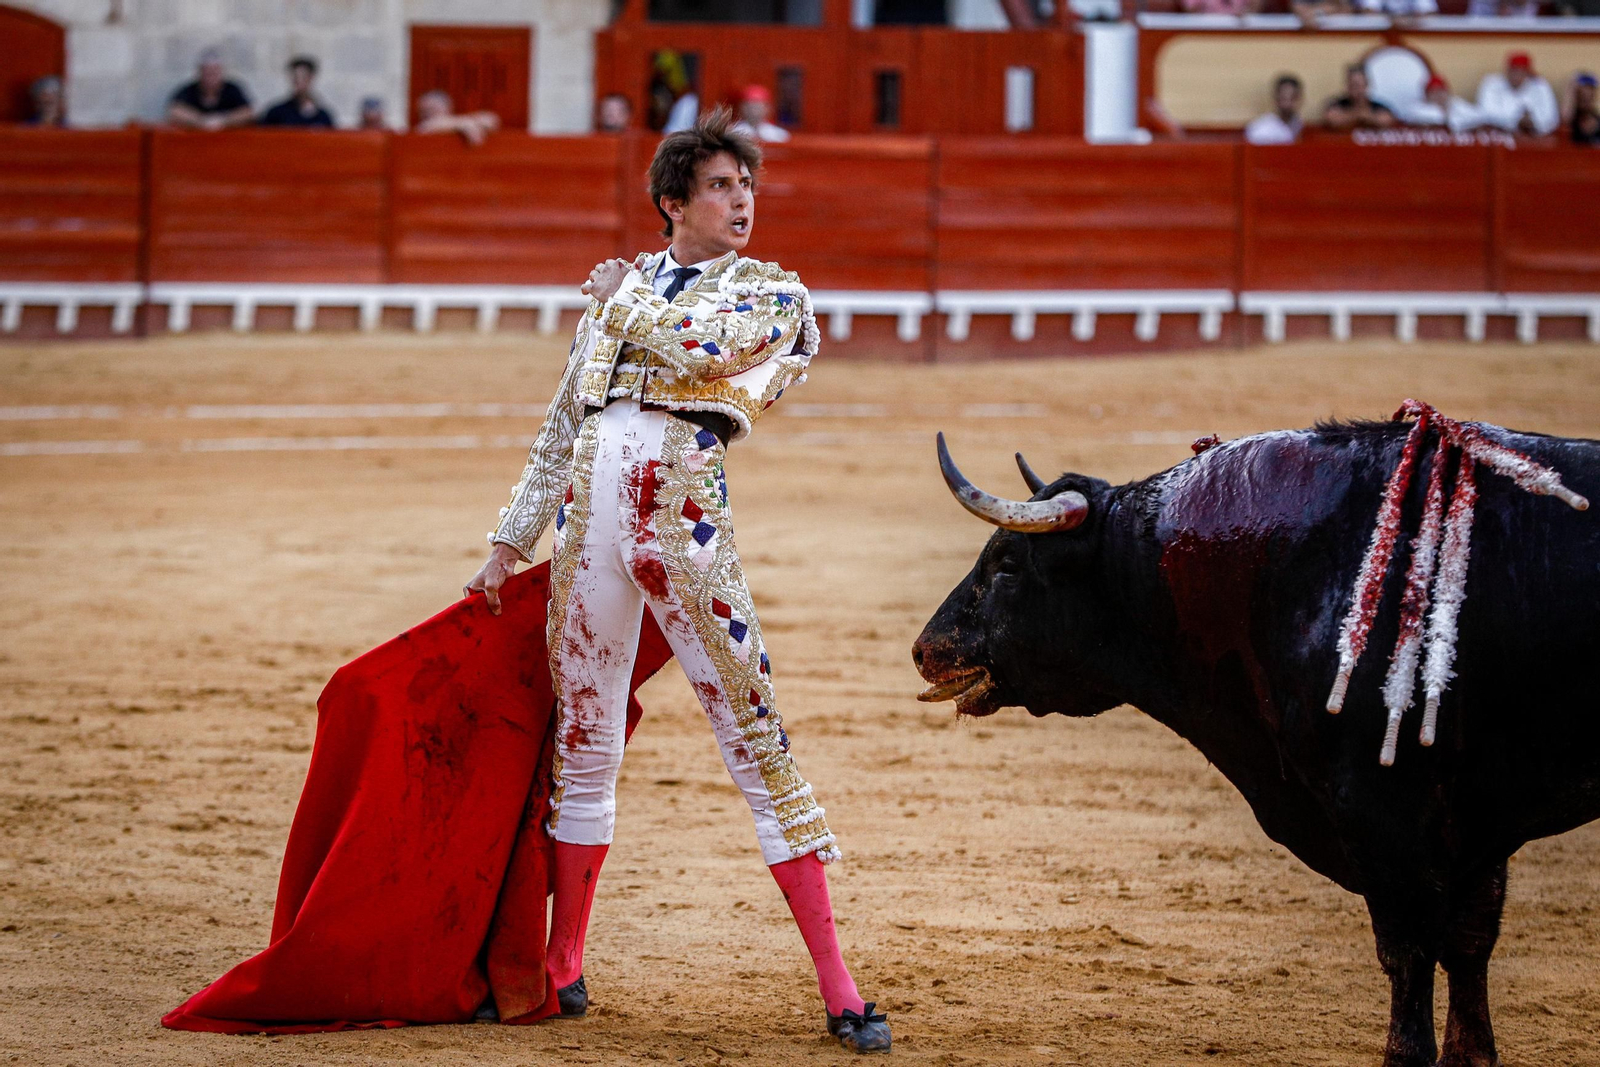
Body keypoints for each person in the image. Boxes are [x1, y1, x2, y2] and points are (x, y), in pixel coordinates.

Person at [463, 108, 891, 1055]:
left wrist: (619, 300)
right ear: (673, 202)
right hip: (588, 523)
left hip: (684, 522)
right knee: (584, 740)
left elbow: (706, 354)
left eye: (748, 186)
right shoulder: (622, 294)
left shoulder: (775, 295)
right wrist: (508, 544)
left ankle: (840, 987)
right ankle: (562, 963)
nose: (742, 201)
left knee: (753, 732)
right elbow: (562, 427)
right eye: (721, 187)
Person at [167, 48, 253, 131]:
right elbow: (175, 110)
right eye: (207, 72)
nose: (211, 76)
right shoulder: (189, 90)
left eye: (214, 71)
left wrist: (223, 120)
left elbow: (247, 112)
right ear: (200, 72)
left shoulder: (232, 90)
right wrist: (201, 121)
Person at [1477, 52, 1560, 136]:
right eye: (1514, 71)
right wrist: (1516, 120)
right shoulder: (1492, 84)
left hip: (1534, 137)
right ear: (1507, 71)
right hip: (1499, 135)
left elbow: (1551, 119)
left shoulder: (1540, 86)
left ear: (1528, 73)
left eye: (1521, 72)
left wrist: (1534, 122)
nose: (1517, 76)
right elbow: (1485, 113)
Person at [259, 56, 334, 127]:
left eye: (303, 77)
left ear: (311, 78)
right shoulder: (277, 113)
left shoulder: (322, 116)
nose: (299, 82)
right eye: (296, 78)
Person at [1400, 74, 1485, 133]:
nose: (1438, 95)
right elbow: (1435, 119)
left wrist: (1453, 117)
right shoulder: (1417, 108)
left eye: (1441, 91)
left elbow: (1477, 116)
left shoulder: (1455, 103)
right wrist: (1445, 114)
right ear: (1426, 95)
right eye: (1433, 92)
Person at [1324, 64, 1397, 131]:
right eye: (1353, 85)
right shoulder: (1337, 105)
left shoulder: (1379, 107)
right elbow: (1333, 120)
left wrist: (1368, 118)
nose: (1357, 90)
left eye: (1360, 85)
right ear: (1348, 86)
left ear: (1367, 84)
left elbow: (1385, 120)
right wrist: (1357, 115)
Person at [414, 89, 500, 146]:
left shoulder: (463, 122)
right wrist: (463, 124)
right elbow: (424, 128)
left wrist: (467, 123)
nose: (427, 114)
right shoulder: (422, 129)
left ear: (447, 107)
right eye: (423, 111)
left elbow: (491, 119)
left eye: (432, 109)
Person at [1245, 74, 1304, 144]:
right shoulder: (1261, 128)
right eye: (1284, 98)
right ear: (1275, 98)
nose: (1288, 103)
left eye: (1293, 98)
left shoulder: (1297, 123)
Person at [1569, 72, 1600, 146]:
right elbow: (1565, 116)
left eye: (1590, 98)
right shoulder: (1572, 120)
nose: (1587, 103)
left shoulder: (1597, 119)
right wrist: (1571, 88)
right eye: (1583, 99)